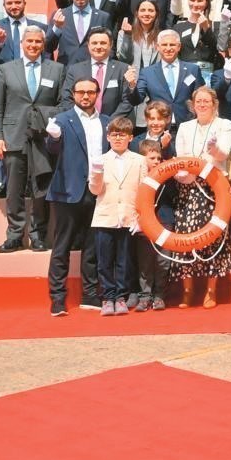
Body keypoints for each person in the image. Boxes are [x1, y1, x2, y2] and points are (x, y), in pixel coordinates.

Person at [0, 24, 64, 253]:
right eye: (29, 41)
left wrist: (45, 118)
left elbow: (63, 104)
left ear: (44, 45)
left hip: (43, 138)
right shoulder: (6, 69)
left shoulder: (57, 69)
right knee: (14, 190)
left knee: (40, 189)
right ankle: (14, 235)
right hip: (13, 136)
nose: (33, 45)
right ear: (22, 43)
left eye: (38, 42)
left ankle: (38, 235)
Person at [43, 78, 107, 315]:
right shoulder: (62, 119)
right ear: (73, 94)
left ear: (98, 93)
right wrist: (54, 137)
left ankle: (90, 294)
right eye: (81, 92)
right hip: (67, 191)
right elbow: (52, 149)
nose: (86, 96)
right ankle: (58, 298)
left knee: (92, 246)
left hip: (97, 190)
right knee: (62, 246)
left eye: (90, 92)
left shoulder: (106, 122)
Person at [171, 86, 231, 308]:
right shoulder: (185, 127)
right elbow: (181, 156)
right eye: (198, 101)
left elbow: (223, 154)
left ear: (214, 103)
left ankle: (211, 290)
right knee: (186, 236)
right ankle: (187, 290)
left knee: (213, 237)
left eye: (206, 101)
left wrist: (214, 148)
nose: (202, 104)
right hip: (189, 186)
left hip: (214, 188)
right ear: (192, 104)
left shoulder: (224, 125)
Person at [89, 116, 144, 316]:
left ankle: (121, 297)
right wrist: (96, 174)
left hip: (128, 218)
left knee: (124, 260)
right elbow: (95, 190)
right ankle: (107, 297)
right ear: (108, 137)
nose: (118, 138)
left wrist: (140, 218)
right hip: (105, 217)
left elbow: (144, 191)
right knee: (104, 261)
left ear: (130, 137)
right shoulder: (100, 160)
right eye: (114, 135)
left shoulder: (139, 160)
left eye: (122, 135)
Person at [130, 136, 171, 312]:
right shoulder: (138, 178)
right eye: (152, 158)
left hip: (164, 221)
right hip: (144, 223)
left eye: (158, 158)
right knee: (145, 261)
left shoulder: (168, 177)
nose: (156, 161)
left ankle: (159, 295)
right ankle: (145, 296)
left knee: (163, 261)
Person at [135, 30, 206, 125]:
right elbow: (136, 99)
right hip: (159, 125)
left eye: (172, 45)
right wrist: (131, 86)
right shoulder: (147, 73)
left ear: (179, 47)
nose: (168, 48)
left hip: (188, 124)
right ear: (158, 47)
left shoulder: (193, 70)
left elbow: (201, 96)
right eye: (164, 45)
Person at [62, 27, 134, 119]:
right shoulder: (75, 70)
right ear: (88, 45)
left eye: (103, 43)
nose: (98, 47)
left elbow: (127, 100)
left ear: (111, 45)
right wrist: (82, 119)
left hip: (113, 124)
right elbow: (67, 99)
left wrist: (110, 122)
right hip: (81, 122)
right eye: (94, 43)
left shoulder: (123, 69)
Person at [48, 0, 113, 67]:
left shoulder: (103, 17)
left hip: (92, 71)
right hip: (65, 70)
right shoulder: (60, 15)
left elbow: (111, 49)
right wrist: (56, 28)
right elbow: (48, 47)